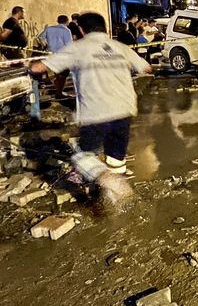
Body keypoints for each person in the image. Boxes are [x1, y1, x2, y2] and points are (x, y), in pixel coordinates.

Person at [29, 12, 152, 205]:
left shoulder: (78, 48)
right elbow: (146, 68)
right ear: (104, 28)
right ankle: (116, 198)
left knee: (82, 156)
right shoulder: (120, 47)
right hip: (124, 110)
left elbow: (40, 68)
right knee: (116, 156)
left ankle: (104, 178)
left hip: (97, 112)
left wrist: (30, 66)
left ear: (81, 29)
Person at [38, 15, 74, 98]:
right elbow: (69, 45)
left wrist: (46, 45)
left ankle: (58, 91)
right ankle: (59, 93)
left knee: (57, 74)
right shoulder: (67, 30)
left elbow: (40, 37)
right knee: (63, 75)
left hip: (50, 54)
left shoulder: (49, 28)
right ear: (67, 21)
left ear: (57, 20)